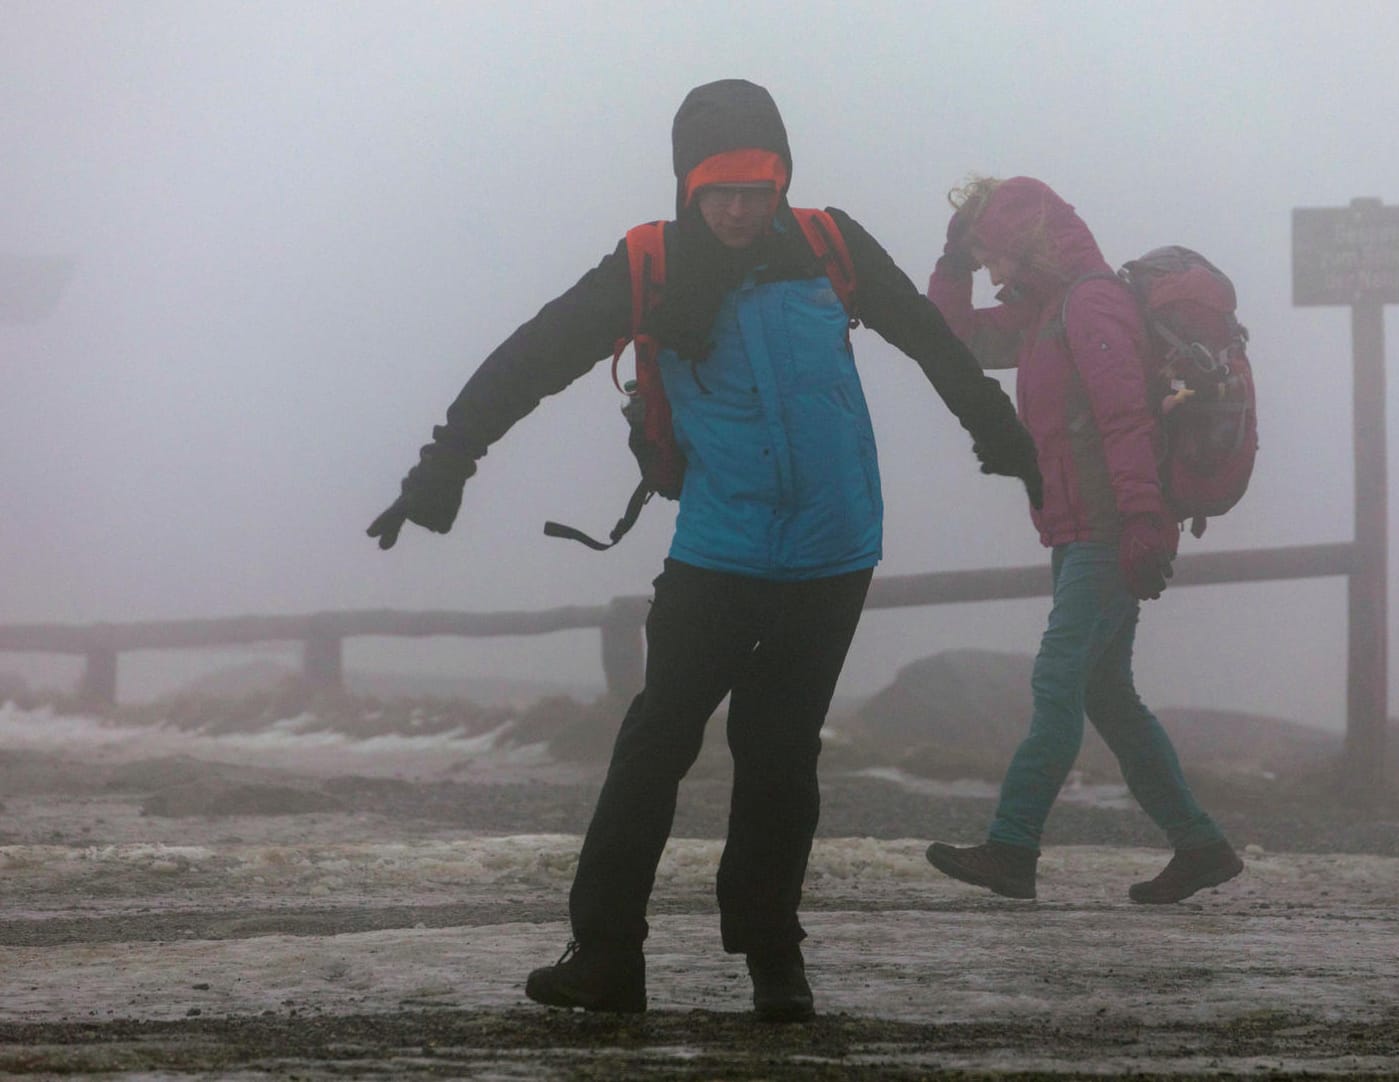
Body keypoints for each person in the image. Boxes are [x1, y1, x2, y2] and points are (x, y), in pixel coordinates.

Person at [367, 81, 1041, 1021]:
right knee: (654, 746)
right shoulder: (647, 266)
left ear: (783, 181)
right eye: (717, 188)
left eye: (756, 186)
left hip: (832, 550)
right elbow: (527, 359)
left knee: (778, 757)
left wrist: (1003, 439)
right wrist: (446, 465)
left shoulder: (830, 245)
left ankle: (774, 964)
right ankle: (606, 958)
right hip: (719, 550)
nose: (736, 207)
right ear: (687, 185)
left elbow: (932, 342)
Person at [921, 176, 1244, 905]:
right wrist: (952, 267)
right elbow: (950, 342)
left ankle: (1011, 848)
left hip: (1108, 528)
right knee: (1106, 694)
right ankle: (1199, 846)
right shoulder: (1042, 317)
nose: (993, 274)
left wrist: (1139, 523)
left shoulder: (1089, 304)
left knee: (1057, 680)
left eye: (993, 256)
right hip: (1080, 530)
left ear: (1026, 244)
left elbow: (1124, 419)